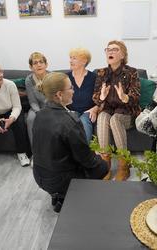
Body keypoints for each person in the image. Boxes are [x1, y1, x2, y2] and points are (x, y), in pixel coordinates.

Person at [32, 72, 108, 212]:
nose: (73, 91)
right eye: (71, 87)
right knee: (103, 166)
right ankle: (70, 196)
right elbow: (87, 160)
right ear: (59, 95)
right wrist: (99, 156)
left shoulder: (40, 115)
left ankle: (59, 195)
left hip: (39, 175)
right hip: (59, 180)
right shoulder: (70, 121)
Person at [93, 40, 141, 181]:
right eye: (108, 49)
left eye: (114, 49)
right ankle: (105, 164)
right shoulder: (101, 73)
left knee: (115, 119)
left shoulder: (132, 72)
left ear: (122, 55)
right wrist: (101, 96)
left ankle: (124, 165)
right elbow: (96, 98)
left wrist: (125, 97)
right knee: (102, 117)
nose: (110, 52)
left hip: (126, 111)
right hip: (108, 109)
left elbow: (136, 97)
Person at [67, 48, 98, 143]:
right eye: (70, 58)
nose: (71, 61)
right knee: (71, 122)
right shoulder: (65, 77)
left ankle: (85, 153)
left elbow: (101, 98)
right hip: (71, 110)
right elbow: (60, 97)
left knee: (84, 121)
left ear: (84, 61)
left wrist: (95, 109)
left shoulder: (94, 77)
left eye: (74, 58)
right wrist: (66, 109)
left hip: (88, 111)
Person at [25, 52, 48, 145]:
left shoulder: (52, 77)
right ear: (31, 67)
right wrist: (39, 113)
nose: (39, 65)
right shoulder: (29, 80)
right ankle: (35, 153)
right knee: (30, 119)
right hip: (36, 107)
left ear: (46, 64)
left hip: (51, 106)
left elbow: (56, 99)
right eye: (35, 63)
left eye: (41, 62)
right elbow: (33, 101)